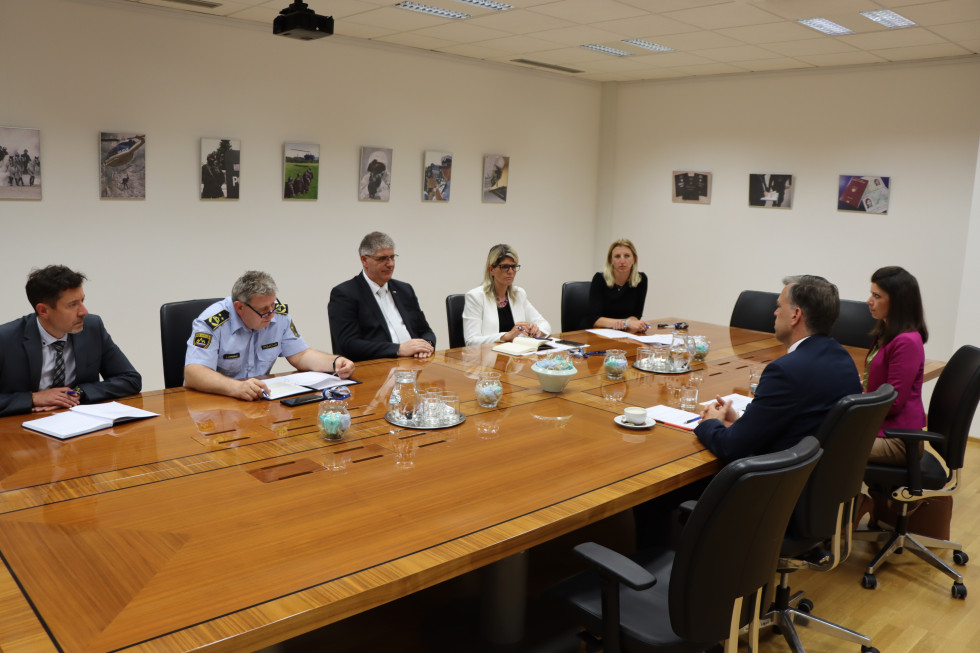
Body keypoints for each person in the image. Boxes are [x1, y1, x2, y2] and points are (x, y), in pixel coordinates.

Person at [695, 275, 862, 461]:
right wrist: (742, 424)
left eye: (779, 306)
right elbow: (802, 420)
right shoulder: (842, 357)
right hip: (822, 477)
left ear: (795, 315)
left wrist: (710, 422)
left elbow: (730, 447)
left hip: (779, 483)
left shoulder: (785, 371)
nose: (775, 312)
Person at [184, 271, 354, 401]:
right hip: (214, 401)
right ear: (239, 307)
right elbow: (194, 373)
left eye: (272, 305)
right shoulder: (212, 322)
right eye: (263, 310)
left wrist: (335, 362)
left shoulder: (276, 314)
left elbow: (300, 354)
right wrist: (236, 388)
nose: (271, 314)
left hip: (257, 399)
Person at [0, 265, 142, 417]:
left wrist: (78, 393)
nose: (84, 312)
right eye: (73, 305)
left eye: (82, 301)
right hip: (23, 427)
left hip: (80, 423)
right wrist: (33, 398)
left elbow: (130, 379)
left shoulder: (92, 328)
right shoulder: (5, 339)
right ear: (43, 310)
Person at [328, 232, 436, 362]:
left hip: (417, 363)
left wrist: (426, 345)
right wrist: (398, 349)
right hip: (378, 366)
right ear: (364, 260)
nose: (390, 264)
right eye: (382, 259)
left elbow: (425, 330)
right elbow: (349, 344)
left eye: (392, 257)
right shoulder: (345, 294)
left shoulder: (405, 289)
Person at [863, 266, 928, 464]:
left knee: (825, 449)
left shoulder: (906, 341)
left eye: (877, 296)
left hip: (898, 439)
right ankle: (873, 495)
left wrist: (852, 411)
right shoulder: (887, 332)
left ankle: (865, 495)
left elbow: (893, 401)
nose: (869, 301)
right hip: (882, 429)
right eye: (871, 294)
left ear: (897, 302)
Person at [463, 244, 551, 346]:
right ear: (491, 270)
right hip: (489, 359)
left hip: (518, 357)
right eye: (504, 267)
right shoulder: (475, 297)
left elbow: (545, 325)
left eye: (513, 267)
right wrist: (506, 336)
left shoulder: (519, 294)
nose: (510, 272)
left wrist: (536, 331)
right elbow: (471, 341)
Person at [586, 238, 649, 333]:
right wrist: (626, 323)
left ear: (634, 259)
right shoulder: (599, 279)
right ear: (611, 260)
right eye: (617, 256)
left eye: (627, 256)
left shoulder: (641, 279)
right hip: (599, 332)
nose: (622, 261)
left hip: (624, 332)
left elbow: (636, 315)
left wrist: (636, 324)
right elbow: (595, 320)